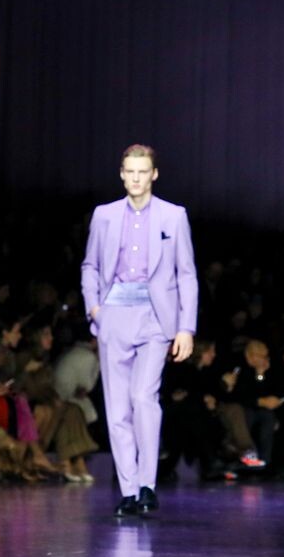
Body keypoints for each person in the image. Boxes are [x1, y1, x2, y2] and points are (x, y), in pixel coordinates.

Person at [81, 144, 198, 517]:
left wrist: (186, 327)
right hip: (114, 313)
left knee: (144, 398)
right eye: (129, 171)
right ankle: (129, 490)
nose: (135, 178)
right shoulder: (104, 215)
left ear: (154, 174)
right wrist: (95, 309)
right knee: (117, 407)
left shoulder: (173, 216)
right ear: (121, 173)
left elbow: (186, 273)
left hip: (155, 316)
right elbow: (90, 265)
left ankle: (147, 484)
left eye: (142, 171)